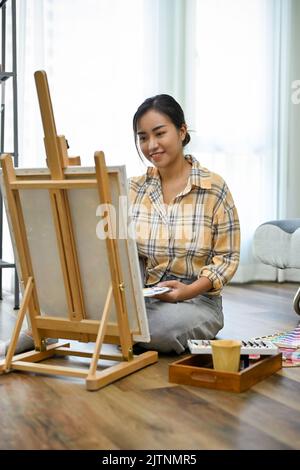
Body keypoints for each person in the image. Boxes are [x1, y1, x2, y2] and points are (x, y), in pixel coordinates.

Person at [129, 94, 240, 354]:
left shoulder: (213, 188)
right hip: (147, 298)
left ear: (181, 131)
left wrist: (186, 292)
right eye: (143, 137)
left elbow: (226, 259)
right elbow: (122, 250)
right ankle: (37, 334)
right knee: (91, 311)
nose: (151, 145)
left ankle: (130, 331)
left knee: (160, 330)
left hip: (199, 301)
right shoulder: (134, 188)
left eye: (159, 133)